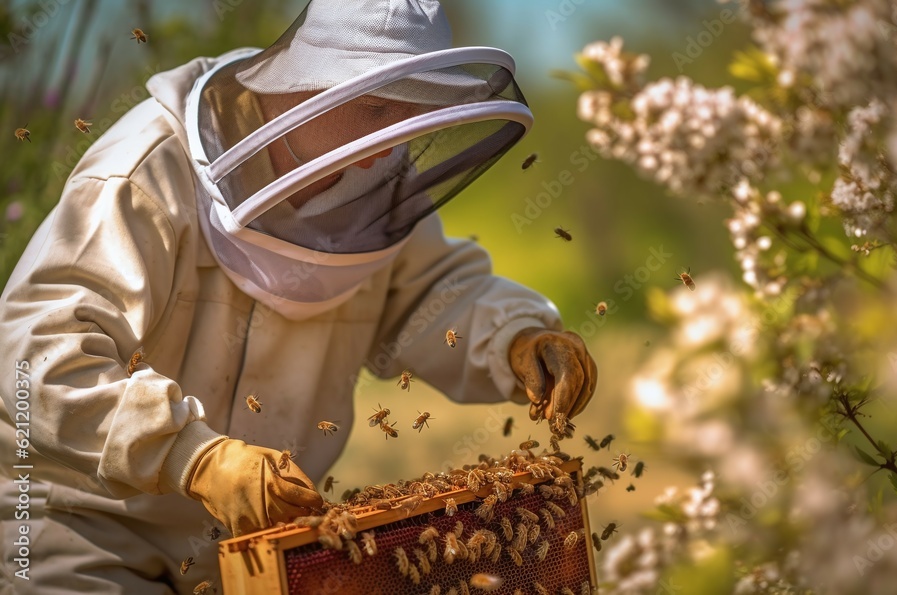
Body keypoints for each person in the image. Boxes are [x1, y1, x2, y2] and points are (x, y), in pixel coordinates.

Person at [0, 0, 597, 592]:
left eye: (409, 112)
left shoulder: (377, 186)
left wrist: (516, 337)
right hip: (81, 528)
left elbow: (429, 297)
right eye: (373, 107)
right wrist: (191, 454)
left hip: (258, 545)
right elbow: (35, 355)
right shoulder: (148, 173)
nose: (390, 142)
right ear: (300, 86)